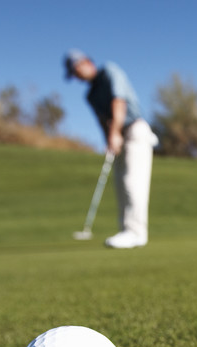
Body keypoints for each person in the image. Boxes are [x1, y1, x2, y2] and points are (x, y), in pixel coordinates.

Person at [65, 49, 158, 249]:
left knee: (133, 182)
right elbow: (101, 120)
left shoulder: (109, 71)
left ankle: (136, 233)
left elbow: (119, 102)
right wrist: (109, 139)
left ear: (86, 62)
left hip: (135, 130)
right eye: (73, 73)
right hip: (117, 136)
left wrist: (114, 132)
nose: (77, 75)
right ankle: (126, 230)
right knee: (120, 185)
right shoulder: (90, 95)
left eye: (77, 69)